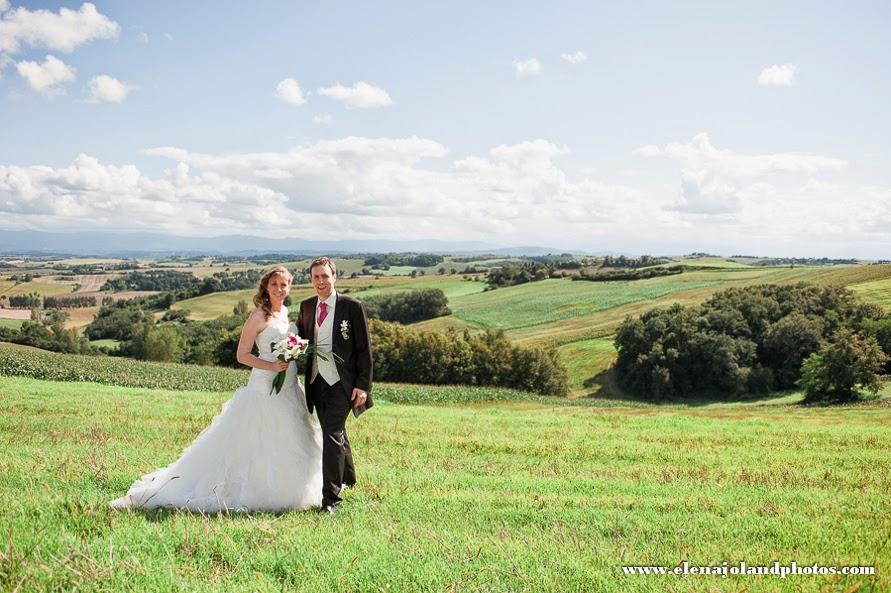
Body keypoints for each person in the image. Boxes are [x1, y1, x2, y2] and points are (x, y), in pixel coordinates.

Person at [109, 266, 323, 513]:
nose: (279, 289)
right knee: (259, 438)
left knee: (291, 436)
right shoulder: (258, 316)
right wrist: (271, 365)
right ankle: (254, 491)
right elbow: (242, 355)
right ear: (266, 287)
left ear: (290, 287)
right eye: (274, 284)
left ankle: (291, 489)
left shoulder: (286, 313)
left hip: (288, 386)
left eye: (284, 284)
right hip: (264, 385)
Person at [296, 256, 373, 514]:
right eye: (316, 277)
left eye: (325, 276)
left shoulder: (352, 307)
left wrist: (363, 385)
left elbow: (364, 349)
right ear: (311, 280)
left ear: (334, 277)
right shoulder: (306, 307)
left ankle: (331, 499)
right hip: (317, 382)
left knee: (331, 434)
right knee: (336, 432)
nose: (320, 281)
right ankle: (349, 478)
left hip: (342, 384)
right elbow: (301, 342)